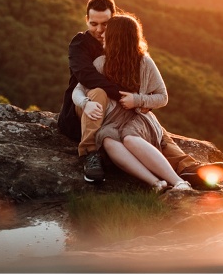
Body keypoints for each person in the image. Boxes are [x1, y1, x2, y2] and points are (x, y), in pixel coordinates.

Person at [58, 0, 223, 186]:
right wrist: (128, 98)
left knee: (150, 125)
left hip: (121, 108)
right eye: (93, 24)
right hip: (88, 109)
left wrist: (137, 101)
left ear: (114, 22)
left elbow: (159, 95)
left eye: (105, 25)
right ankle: (90, 153)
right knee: (102, 97)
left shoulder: (135, 56)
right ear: (87, 21)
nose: (99, 31)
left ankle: (186, 169)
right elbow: (86, 78)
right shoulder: (82, 45)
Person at [72, 13, 192, 192]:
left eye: (108, 33)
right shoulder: (101, 62)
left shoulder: (145, 63)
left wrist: (137, 100)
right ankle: (156, 183)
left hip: (137, 116)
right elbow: (78, 90)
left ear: (119, 38)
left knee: (129, 138)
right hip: (112, 119)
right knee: (107, 139)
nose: (102, 35)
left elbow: (162, 97)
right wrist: (85, 103)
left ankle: (179, 182)